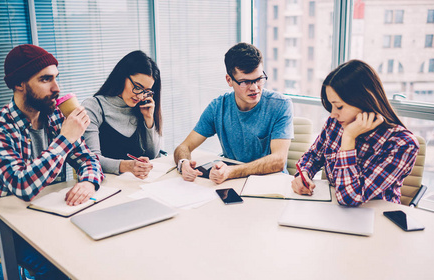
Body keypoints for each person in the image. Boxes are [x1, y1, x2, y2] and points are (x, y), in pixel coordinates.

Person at [0, 44, 104, 280]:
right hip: (5, 226)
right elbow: (23, 187)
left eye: (56, 78)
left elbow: (88, 159)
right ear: (20, 83)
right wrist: (66, 138)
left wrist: (89, 183)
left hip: (49, 214)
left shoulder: (54, 117)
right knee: (53, 267)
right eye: (45, 79)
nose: (56, 88)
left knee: (94, 247)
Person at [291, 59, 419, 206]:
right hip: (333, 209)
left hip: (377, 216)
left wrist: (349, 138)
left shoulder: (402, 144)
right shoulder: (335, 124)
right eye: (331, 106)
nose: (332, 114)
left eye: (339, 107)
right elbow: (313, 156)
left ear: (364, 101)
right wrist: (304, 175)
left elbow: (350, 198)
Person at [174, 42, 294, 184]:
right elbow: (183, 147)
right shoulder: (217, 107)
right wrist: (183, 163)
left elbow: (278, 161)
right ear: (229, 80)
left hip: (270, 184)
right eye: (245, 82)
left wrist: (231, 171)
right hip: (231, 183)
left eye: (259, 79)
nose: (254, 88)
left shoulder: (280, 105)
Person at [82, 50, 162, 179]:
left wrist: (149, 119)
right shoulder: (93, 107)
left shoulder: (141, 107)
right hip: (105, 187)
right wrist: (128, 166)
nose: (140, 95)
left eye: (146, 91)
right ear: (122, 77)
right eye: (137, 87)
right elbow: (92, 160)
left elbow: (152, 155)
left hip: (136, 185)